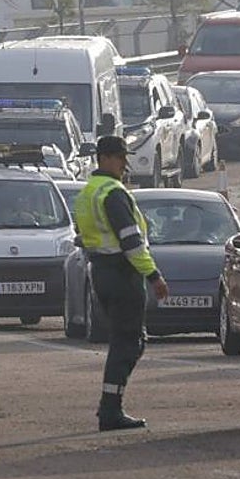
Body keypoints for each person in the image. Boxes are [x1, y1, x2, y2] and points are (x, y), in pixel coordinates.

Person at [73, 135, 170, 431]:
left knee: (123, 341)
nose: (124, 164)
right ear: (104, 158)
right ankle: (110, 410)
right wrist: (154, 275)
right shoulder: (113, 193)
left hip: (101, 272)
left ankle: (110, 406)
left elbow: (84, 235)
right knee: (129, 343)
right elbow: (131, 241)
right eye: (120, 157)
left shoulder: (88, 192)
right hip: (123, 273)